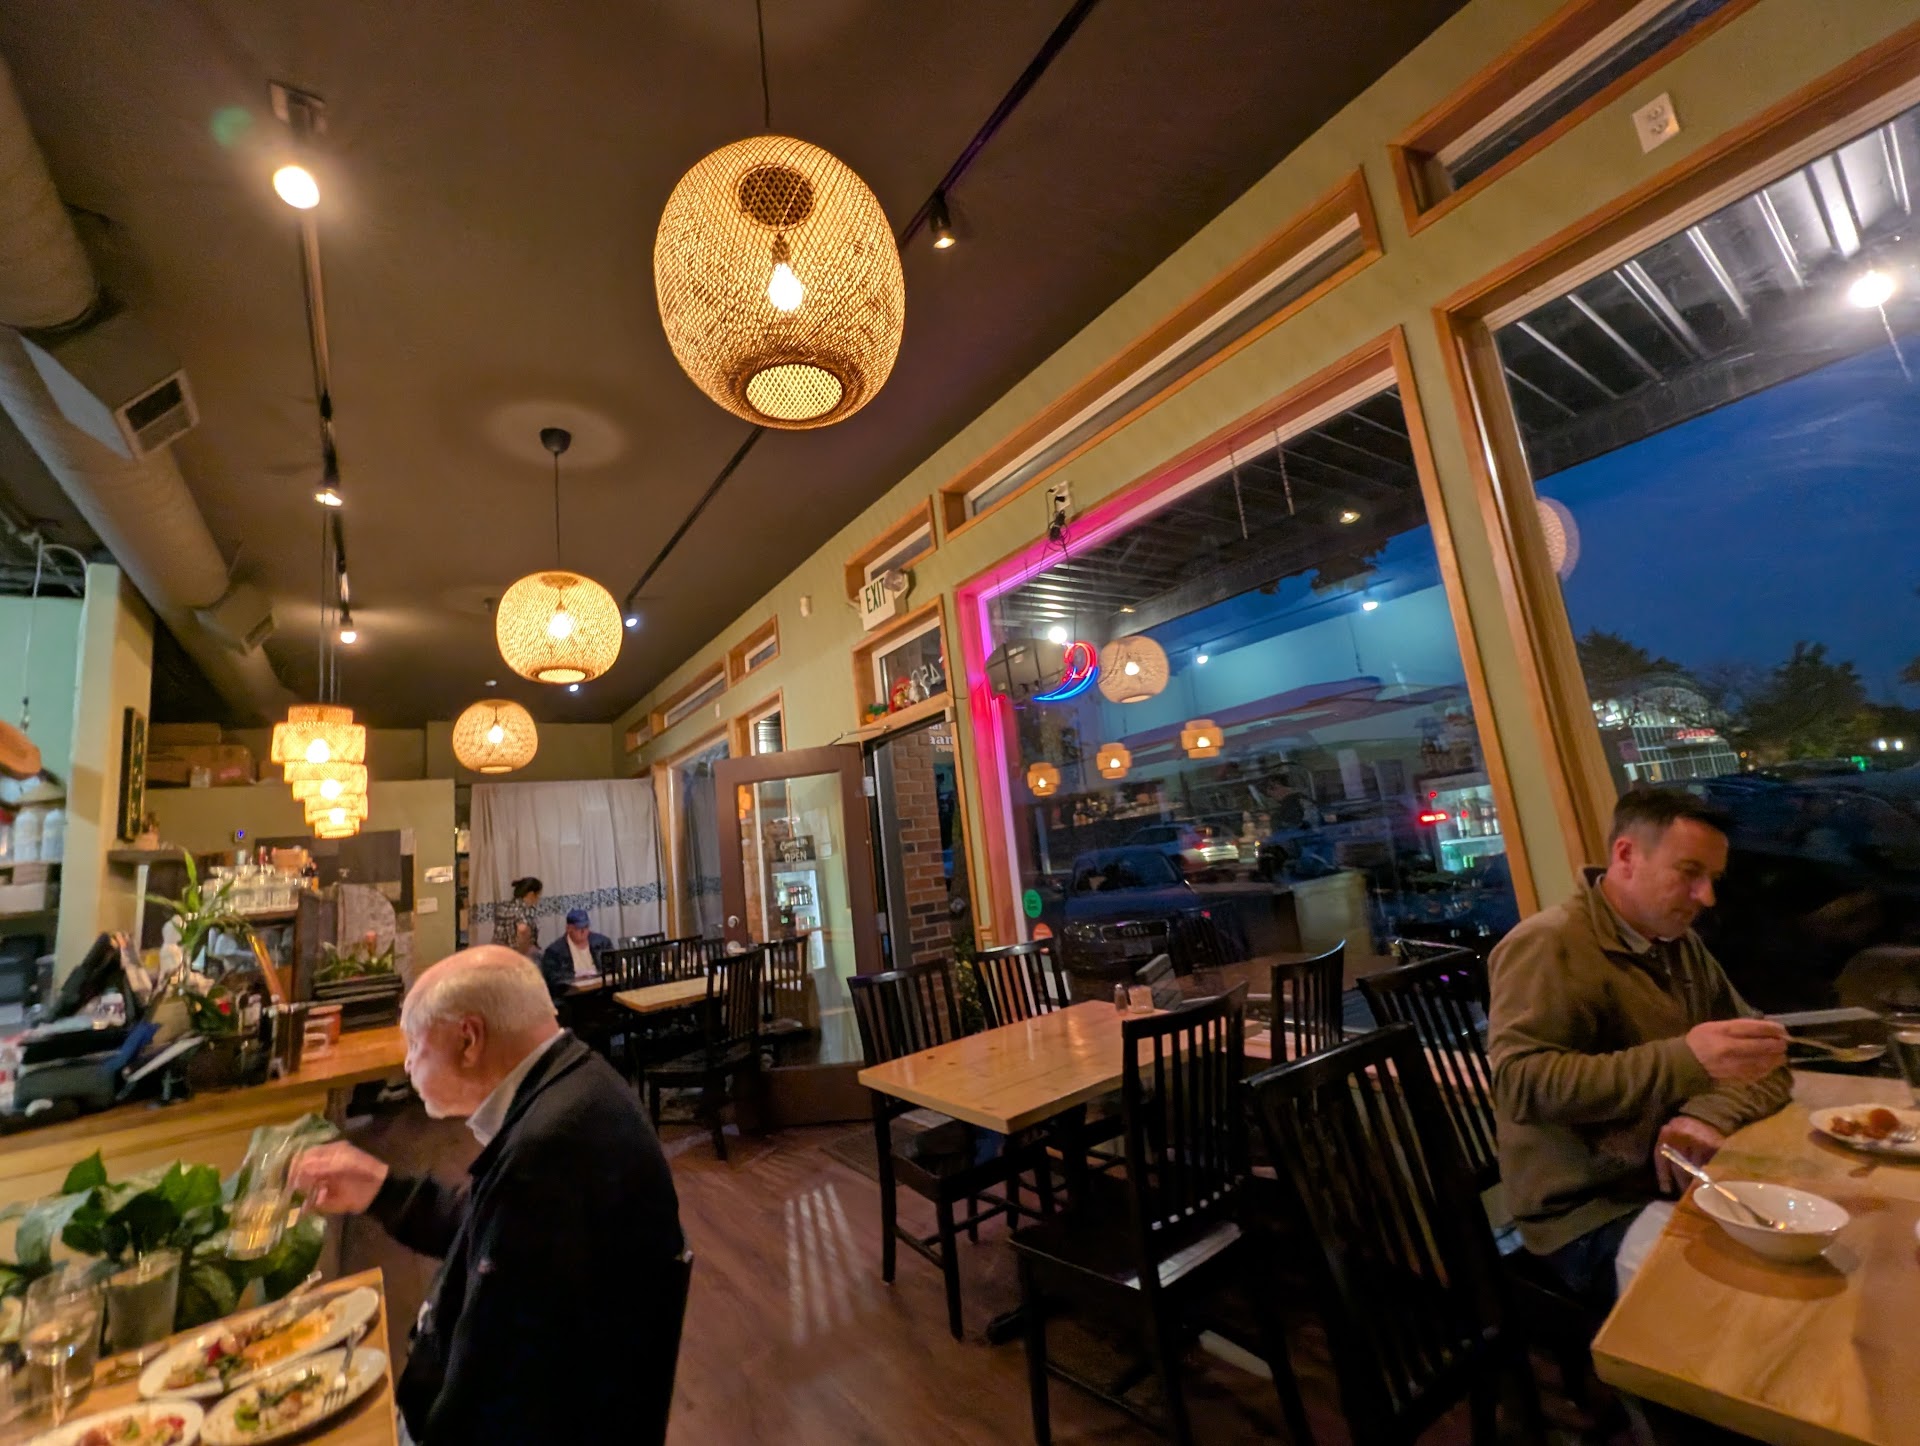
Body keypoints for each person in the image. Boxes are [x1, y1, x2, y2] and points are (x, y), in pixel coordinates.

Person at [291, 947, 683, 1444]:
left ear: (468, 1039)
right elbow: (490, 1229)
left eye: (415, 1045)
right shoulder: (576, 1084)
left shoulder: (547, 1151)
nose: (407, 1064)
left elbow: (488, 1398)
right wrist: (381, 1189)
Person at [1488, 787, 1791, 1309]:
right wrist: (1687, 1061)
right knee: (1738, 1305)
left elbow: (1765, 1059)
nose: (1706, 897)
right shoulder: (1546, 944)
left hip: (1675, 1179)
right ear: (1626, 855)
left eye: (1712, 879)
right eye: (1689, 873)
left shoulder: (1679, 944)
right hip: (1586, 1212)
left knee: (1801, 1252)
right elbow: (1520, 1085)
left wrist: (1707, 1114)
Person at [539, 907, 612, 995]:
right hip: (572, 995)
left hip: (601, 989)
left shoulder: (603, 943)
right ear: (568, 929)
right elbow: (552, 979)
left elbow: (612, 967)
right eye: (578, 928)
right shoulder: (554, 951)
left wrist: (597, 974)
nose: (583, 931)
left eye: (586, 927)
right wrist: (575, 976)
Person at [489, 876, 541, 948]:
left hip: (499, 951)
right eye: (538, 894)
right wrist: (528, 950)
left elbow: (497, 936)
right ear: (531, 894)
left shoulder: (502, 907)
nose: (539, 898)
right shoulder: (526, 910)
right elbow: (522, 929)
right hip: (517, 952)